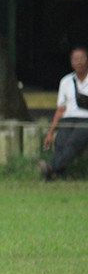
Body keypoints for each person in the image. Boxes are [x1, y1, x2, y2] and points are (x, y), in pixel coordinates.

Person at [40, 46, 88, 181]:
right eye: (75, 59)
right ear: (71, 62)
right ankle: (55, 173)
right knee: (60, 143)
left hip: (85, 120)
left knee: (73, 143)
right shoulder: (65, 81)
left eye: (82, 59)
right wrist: (50, 133)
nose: (79, 62)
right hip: (68, 118)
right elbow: (61, 110)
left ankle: (51, 169)